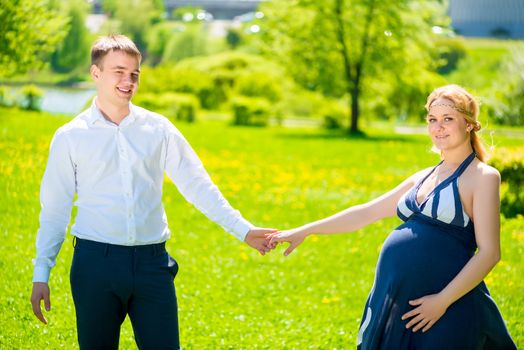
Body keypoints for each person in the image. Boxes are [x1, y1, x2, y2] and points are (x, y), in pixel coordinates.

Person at [30, 34, 276, 350]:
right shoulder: (70, 137)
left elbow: (197, 186)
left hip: (152, 266)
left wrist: (244, 230)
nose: (128, 80)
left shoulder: (158, 129)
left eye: (134, 73)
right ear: (96, 73)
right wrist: (41, 273)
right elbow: (54, 210)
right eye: (118, 71)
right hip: (95, 266)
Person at [269, 85, 517, 349]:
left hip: (447, 305)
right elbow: (366, 212)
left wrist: (442, 301)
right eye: (432, 120)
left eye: (448, 119)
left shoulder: (483, 177)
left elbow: (490, 253)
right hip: (397, 298)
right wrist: (305, 230)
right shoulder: (422, 177)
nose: (438, 127)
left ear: (468, 124)